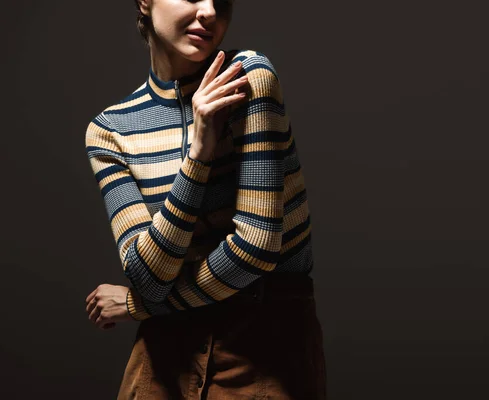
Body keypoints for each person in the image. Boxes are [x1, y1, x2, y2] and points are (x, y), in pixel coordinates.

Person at [83, 0, 326, 398]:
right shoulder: (110, 131)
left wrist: (137, 306)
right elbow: (146, 277)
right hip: (163, 363)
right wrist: (198, 155)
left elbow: (256, 249)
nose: (210, 11)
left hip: (265, 348)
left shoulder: (247, 78)